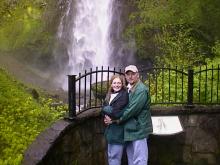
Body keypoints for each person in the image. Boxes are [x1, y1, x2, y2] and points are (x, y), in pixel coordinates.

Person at [104, 65, 153, 165]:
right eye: (128, 74)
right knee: (132, 159)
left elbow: (131, 110)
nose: (130, 76)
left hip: (139, 129)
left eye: (133, 74)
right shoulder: (128, 89)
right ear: (125, 76)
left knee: (140, 159)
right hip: (130, 129)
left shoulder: (141, 90)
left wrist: (115, 121)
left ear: (138, 75)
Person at [102, 74, 129, 165]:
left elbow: (116, 113)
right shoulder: (109, 94)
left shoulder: (124, 95)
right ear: (111, 84)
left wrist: (106, 109)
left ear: (122, 84)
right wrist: (106, 114)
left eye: (119, 83)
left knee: (115, 157)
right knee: (110, 156)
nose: (116, 85)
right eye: (114, 83)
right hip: (110, 131)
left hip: (118, 131)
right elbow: (103, 110)